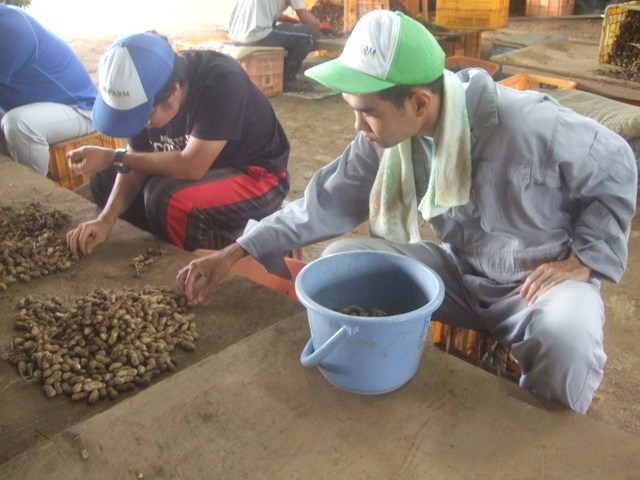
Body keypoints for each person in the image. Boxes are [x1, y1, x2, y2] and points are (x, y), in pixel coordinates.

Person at [176, 10, 637, 414]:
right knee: (339, 257)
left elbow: (618, 164)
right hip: (462, 274)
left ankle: (534, 432)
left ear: (419, 102)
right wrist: (235, 251)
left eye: (367, 112)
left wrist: (585, 258)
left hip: (535, 285)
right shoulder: (389, 139)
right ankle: (390, 359)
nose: (358, 126)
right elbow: (323, 202)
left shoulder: (529, 124)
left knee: (568, 340)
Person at [65, 31, 290, 256]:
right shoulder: (150, 85)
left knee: (165, 197)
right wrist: (105, 220)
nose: (143, 126)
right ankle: (170, 236)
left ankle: (194, 260)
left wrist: (114, 156)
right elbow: (133, 162)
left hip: (258, 178)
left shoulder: (222, 80)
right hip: (196, 169)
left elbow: (192, 166)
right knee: (104, 179)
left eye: (145, 117)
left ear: (173, 92)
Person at [0, 4, 96, 175]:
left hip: (79, 110)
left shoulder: (8, 28)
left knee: (18, 124)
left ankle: (34, 193)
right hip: (41, 109)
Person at [228, 0, 329, 87]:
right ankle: (287, 79)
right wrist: (322, 26)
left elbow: (263, 11)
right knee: (310, 34)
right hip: (257, 36)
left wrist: (288, 19)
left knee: (290, 29)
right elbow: (304, 16)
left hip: (236, 35)